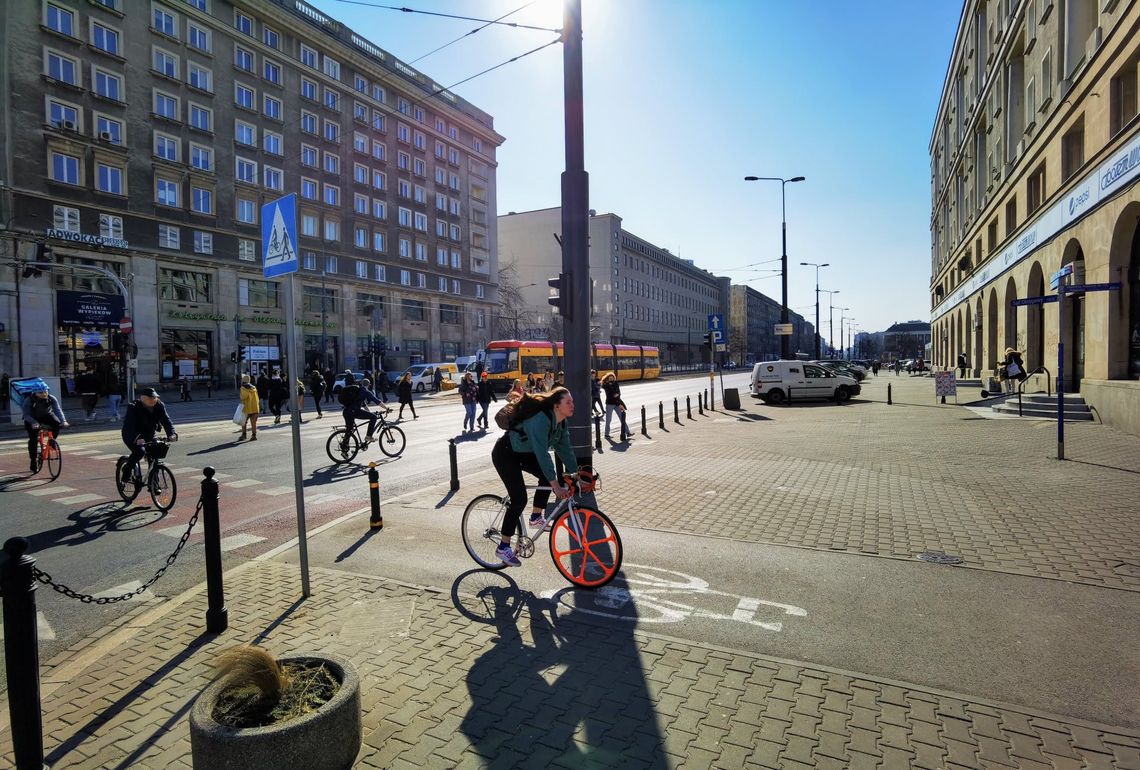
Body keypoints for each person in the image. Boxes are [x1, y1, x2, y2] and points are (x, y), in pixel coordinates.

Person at [490, 386, 577, 567]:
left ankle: (536, 517)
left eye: (572, 401)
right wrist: (556, 486)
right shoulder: (541, 420)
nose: (572, 405)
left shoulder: (561, 422)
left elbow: (565, 449)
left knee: (549, 476)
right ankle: (503, 546)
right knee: (519, 498)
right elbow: (542, 453)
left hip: (524, 453)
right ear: (556, 405)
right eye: (568, 402)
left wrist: (577, 474)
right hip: (506, 453)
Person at [120, 387, 176, 483]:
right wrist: (137, 438)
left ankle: (154, 484)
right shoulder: (133, 407)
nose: (153, 400)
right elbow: (130, 425)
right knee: (140, 452)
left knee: (155, 453)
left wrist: (171, 433)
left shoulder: (159, 405)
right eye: (150, 398)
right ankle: (127, 470)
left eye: (155, 398)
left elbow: (166, 420)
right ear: (142, 398)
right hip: (131, 435)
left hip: (150, 434)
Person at [22, 382, 69, 473]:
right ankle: (33, 460)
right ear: (35, 393)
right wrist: (34, 423)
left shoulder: (51, 398)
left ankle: (51, 442)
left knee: (57, 423)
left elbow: (57, 410)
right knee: (33, 439)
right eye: (40, 392)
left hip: (47, 416)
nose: (44, 394)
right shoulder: (29, 400)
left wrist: (64, 421)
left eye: (45, 391)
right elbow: (26, 415)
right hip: (32, 418)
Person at [341, 377, 386, 446]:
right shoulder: (366, 392)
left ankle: (344, 447)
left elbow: (364, 405)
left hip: (346, 411)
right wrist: (387, 408)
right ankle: (368, 436)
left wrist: (369, 413)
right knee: (374, 417)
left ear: (361, 384)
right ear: (368, 385)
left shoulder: (358, 391)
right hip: (354, 411)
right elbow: (377, 401)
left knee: (349, 430)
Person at [601, 372, 631, 441]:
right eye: (610, 378)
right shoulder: (606, 385)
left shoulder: (615, 383)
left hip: (617, 403)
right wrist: (616, 395)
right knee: (608, 420)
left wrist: (617, 395)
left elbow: (619, 393)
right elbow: (611, 395)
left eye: (612, 377)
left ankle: (628, 432)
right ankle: (606, 434)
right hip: (610, 404)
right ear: (607, 378)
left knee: (622, 418)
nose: (611, 379)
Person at [238, 373, 259, 440]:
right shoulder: (254, 388)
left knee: (243, 422)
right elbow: (257, 398)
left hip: (247, 408)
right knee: (253, 423)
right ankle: (254, 435)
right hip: (255, 408)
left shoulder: (243, 388)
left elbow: (243, 397)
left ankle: (244, 435)